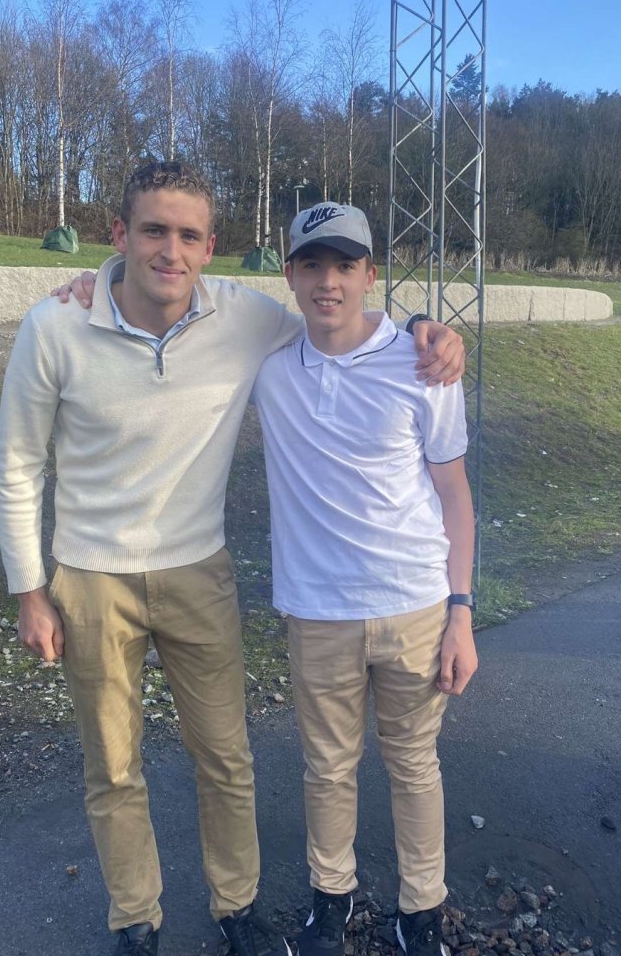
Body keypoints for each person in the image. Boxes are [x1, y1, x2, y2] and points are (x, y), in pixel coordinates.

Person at [0, 161, 465, 956]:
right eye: (153, 231)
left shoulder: (244, 318)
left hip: (199, 571)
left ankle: (236, 908)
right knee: (114, 766)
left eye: (188, 235)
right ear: (119, 235)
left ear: (211, 247)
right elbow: (16, 465)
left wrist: (426, 324)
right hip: (91, 577)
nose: (170, 251)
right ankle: (136, 921)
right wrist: (29, 590)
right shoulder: (55, 325)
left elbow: (342, 317)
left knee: (226, 758)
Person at [249, 203, 478, 956]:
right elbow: (179, 297)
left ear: (370, 274)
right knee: (326, 768)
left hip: (415, 606)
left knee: (414, 765)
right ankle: (332, 899)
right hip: (317, 613)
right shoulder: (269, 364)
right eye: (312, 265)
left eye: (345, 265)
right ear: (289, 274)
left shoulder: (424, 364)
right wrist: (101, 277)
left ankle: (421, 911)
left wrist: (461, 614)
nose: (329, 283)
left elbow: (455, 496)